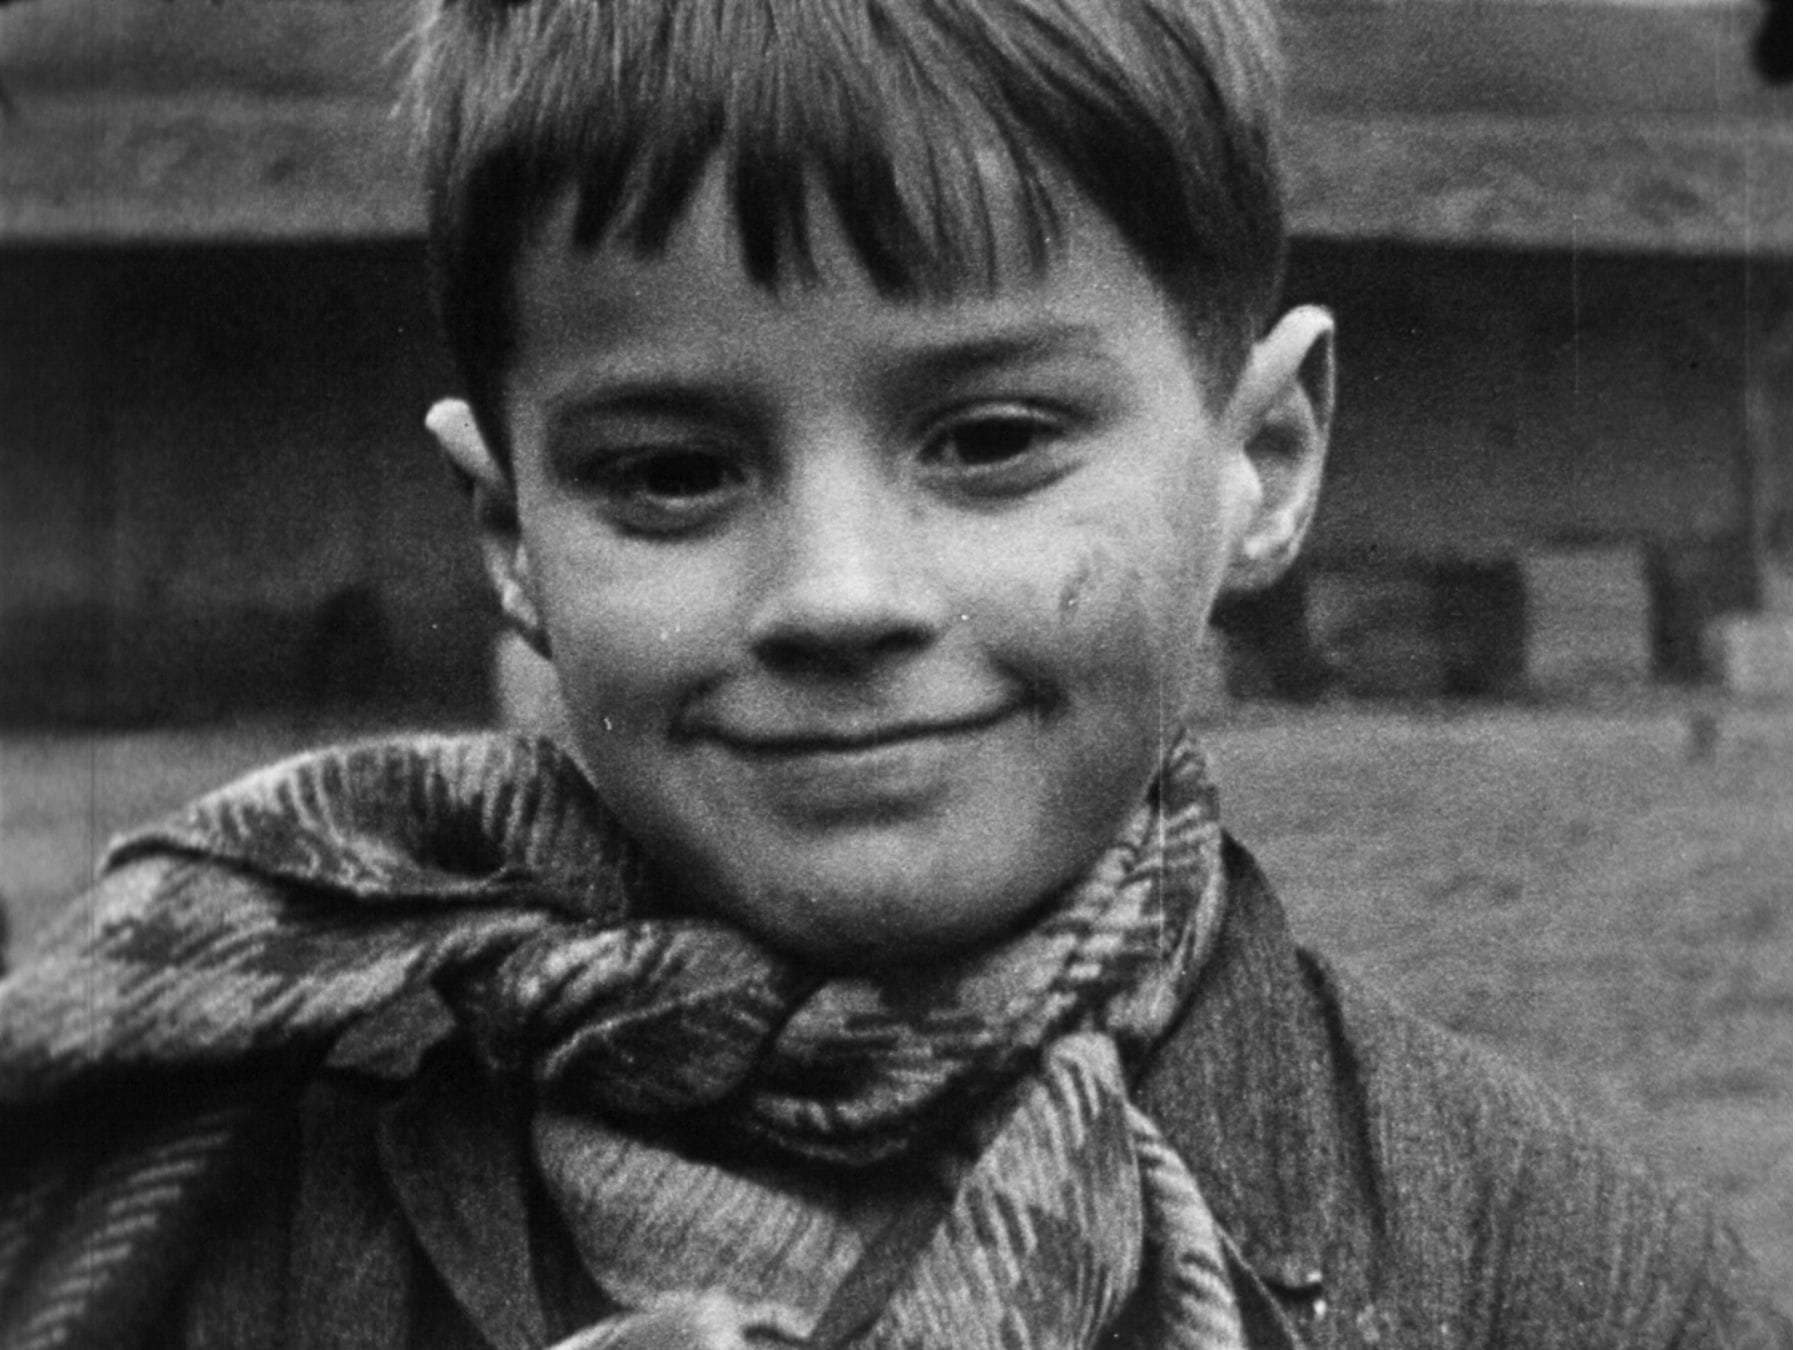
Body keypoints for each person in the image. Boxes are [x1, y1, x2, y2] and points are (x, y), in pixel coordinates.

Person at [0, 2, 1782, 1346]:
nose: (839, 594)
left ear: (1272, 455)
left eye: (994, 438)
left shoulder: (1570, 1281)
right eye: (671, 475)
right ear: (511, 533)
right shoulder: (207, 1203)